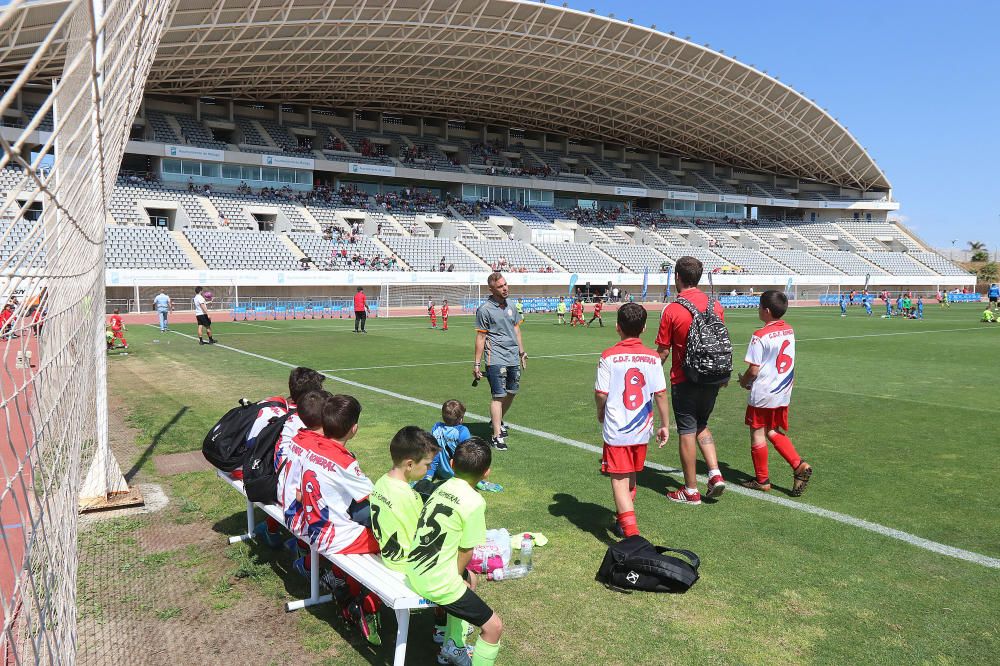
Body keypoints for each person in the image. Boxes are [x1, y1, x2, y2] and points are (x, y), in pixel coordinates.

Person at [407, 438, 504, 666]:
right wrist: (456, 579)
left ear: (451, 463)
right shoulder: (475, 501)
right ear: (487, 473)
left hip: (415, 568)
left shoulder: (441, 487)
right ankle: (452, 644)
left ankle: (451, 646)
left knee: (471, 578)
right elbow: (466, 552)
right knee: (494, 628)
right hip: (436, 581)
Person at [654, 256, 727, 505]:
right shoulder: (715, 305)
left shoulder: (673, 309)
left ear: (677, 277)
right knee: (702, 424)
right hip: (713, 375)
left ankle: (691, 490)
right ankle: (715, 473)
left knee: (686, 430)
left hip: (685, 377)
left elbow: (663, 351)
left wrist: (648, 376)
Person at [595, 303, 670, 538]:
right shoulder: (652, 357)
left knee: (619, 479)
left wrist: (600, 412)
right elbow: (660, 393)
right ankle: (621, 520)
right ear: (644, 328)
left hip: (618, 426)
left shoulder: (609, 356)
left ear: (618, 327)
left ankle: (632, 536)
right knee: (631, 473)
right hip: (642, 427)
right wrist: (665, 424)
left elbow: (601, 393)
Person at [737, 291, 813, 496]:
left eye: (760, 306)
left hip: (763, 392)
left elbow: (753, 370)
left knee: (758, 433)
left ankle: (762, 480)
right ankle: (798, 465)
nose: (758, 309)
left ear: (766, 311)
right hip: (783, 390)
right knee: (773, 430)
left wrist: (743, 381)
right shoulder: (789, 329)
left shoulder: (759, 335)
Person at [249, 367, 326, 541]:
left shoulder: (286, 412)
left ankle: (271, 526)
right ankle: (304, 552)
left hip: (272, 474)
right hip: (281, 483)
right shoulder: (305, 421)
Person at [473, 273, 526, 452]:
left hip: (512, 356)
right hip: (495, 357)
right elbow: (481, 337)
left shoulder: (511, 305)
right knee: (498, 395)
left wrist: (522, 351)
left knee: (512, 392)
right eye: (500, 286)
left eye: (505, 284)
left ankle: (496, 420)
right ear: (492, 289)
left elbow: (516, 330)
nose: (505, 288)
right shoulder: (485, 309)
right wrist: (476, 364)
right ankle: (496, 436)